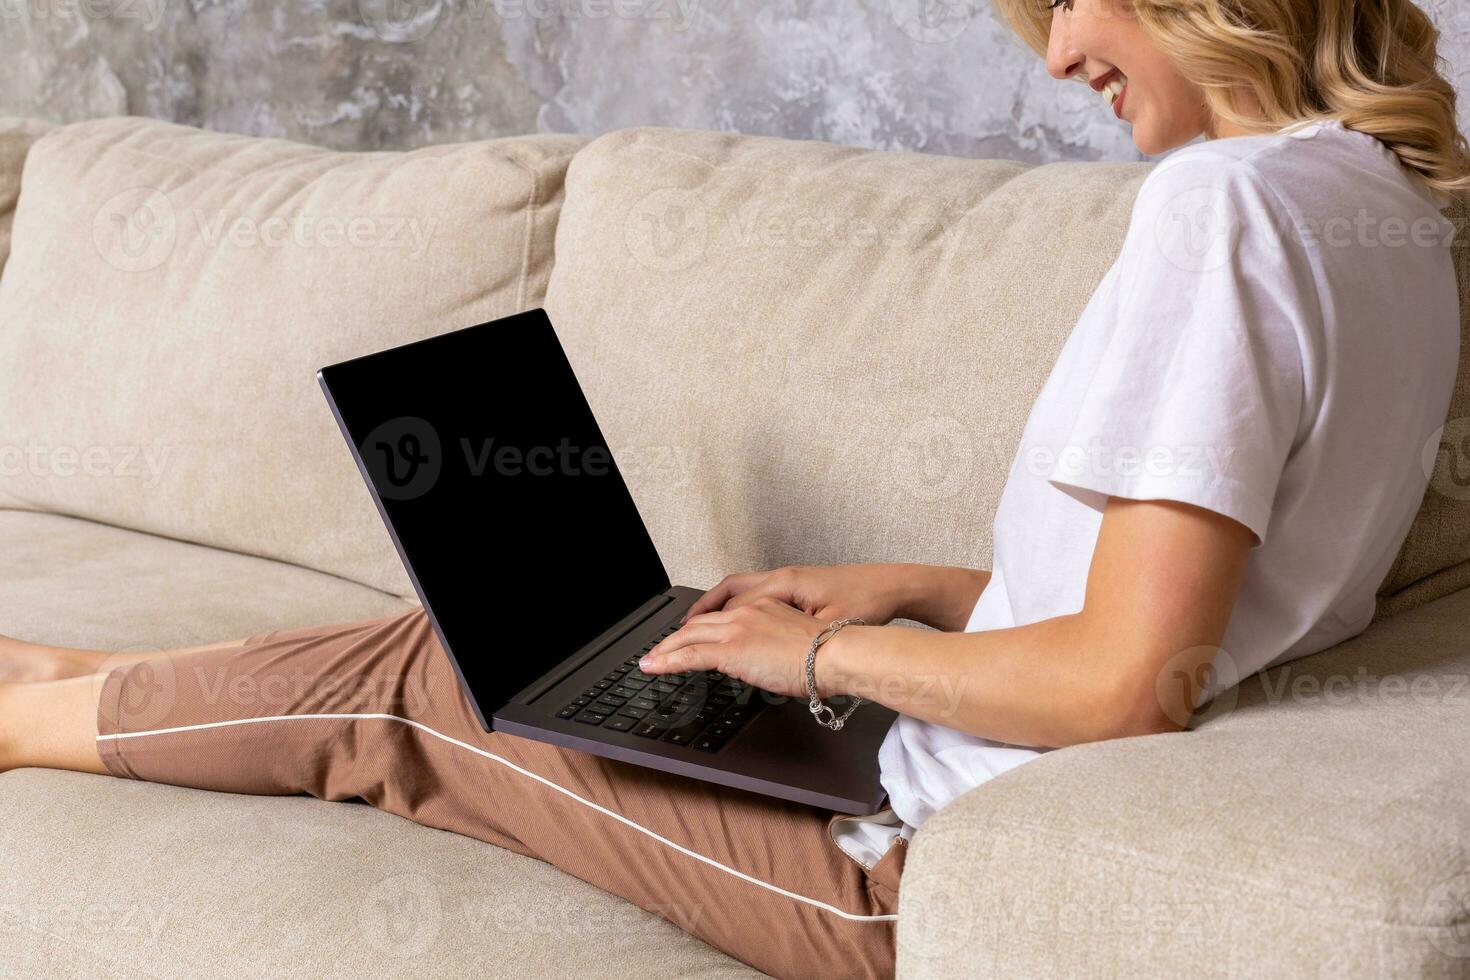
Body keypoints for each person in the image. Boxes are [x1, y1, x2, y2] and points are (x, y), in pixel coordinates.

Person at [2, 1, 1467, 976]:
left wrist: (821, 656)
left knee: (424, 689)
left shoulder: (1220, 209)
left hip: (890, 857)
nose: (1056, 53)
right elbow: (1215, 589)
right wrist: (912, 592)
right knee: (538, 643)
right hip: (944, 745)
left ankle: (28, 720)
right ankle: (107, 675)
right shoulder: (1378, 211)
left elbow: (1127, 681)